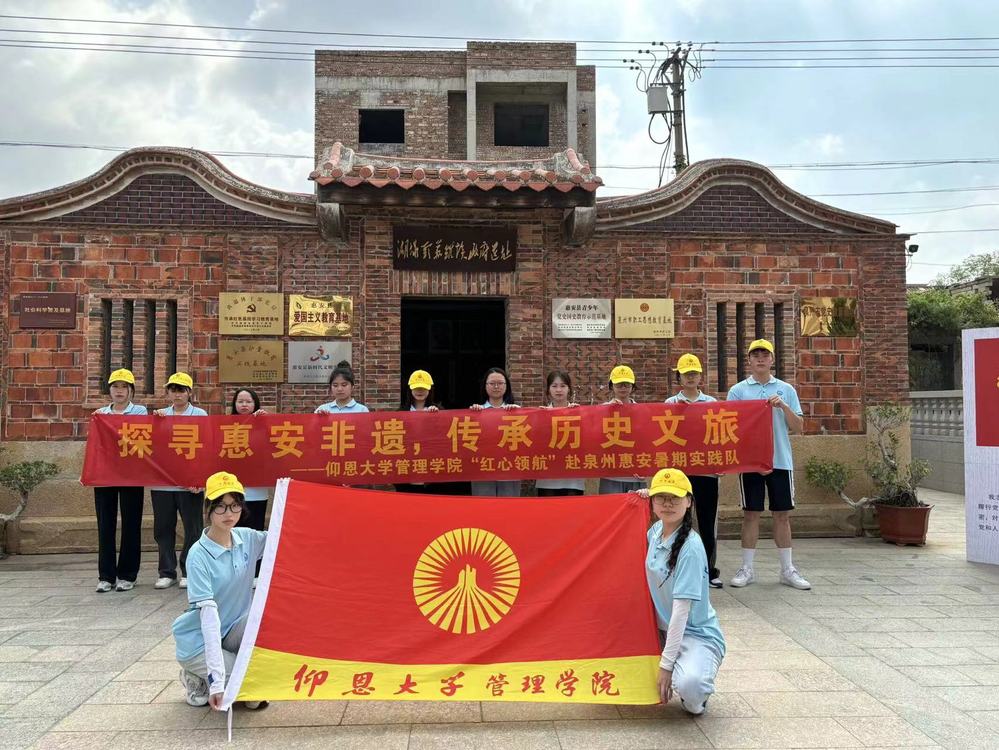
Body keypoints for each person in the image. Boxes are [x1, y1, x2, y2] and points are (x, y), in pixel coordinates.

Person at [172, 471, 267, 711]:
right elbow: (209, 619)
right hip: (199, 640)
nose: (229, 514)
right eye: (221, 507)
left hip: (233, 629)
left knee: (256, 683)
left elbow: (285, 537)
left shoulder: (247, 538)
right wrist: (216, 681)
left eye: (235, 505)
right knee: (247, 683)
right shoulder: (198, 556)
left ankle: (228, 671)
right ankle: (196, 675)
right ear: (208, 508)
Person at [639, 468, 726, 714]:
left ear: (688, 502)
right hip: (660, 630)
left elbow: (681, 613)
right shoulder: (656, 532)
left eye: (675, 498)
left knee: (690, 686)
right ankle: (677, 661)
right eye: (661, 497)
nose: (668, 504)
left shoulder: (691, 547)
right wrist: (637, 500)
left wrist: (666, 666)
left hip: (695, 633)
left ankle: (697, 688)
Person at [726, 339, 811, 590]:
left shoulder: (786, 389)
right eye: (756, 355)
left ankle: (787, 569)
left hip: (780, 461)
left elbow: (799, 427)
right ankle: (747, 568)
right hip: (751, 463)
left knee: (782, 515)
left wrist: (782, 406)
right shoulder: (738, 391)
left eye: (765, 354)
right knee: (750, 514)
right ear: (749, 360)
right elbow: (731, 428)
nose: (761, 358)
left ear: (772, 359)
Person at [665, 354, 723, 588]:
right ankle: (676, 567)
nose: (690, 377)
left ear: (700, 376)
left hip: (707, 472)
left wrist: (721, 463)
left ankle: (709, 570)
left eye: (694, 373)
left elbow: (719, 437)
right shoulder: (670, 403)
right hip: (679, 474)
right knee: (679, 521)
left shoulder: (711, 403)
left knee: (707, 523)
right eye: (685, 373)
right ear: (679, 377)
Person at [150, 372, 208, 590]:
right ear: (168, 393)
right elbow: (152, 447)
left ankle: (189, 570)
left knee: (193, 528)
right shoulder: (160, 415)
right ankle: (166, 571)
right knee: (163, 529)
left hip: (190, 485)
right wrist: (155, 422)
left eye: (181, 390)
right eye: (173, 390)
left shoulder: (200, 415)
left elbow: (206, 448)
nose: (177, 394)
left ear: (189, 392)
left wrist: (200, 479)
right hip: (162, 483)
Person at [92, 368, 147, 593]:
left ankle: (127, 574)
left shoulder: (140, 412)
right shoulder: (100, 414)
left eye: (124, 387)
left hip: (131, 475)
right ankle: (106, 576)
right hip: (105, 475)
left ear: (131, 390)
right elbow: (95, 447)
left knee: (131, 524)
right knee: (105, 525)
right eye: (115, 386)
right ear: (109, 390)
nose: (120, 391)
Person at [231, 389, 268, 582]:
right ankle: (236, 572)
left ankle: (255, 572)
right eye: (240, 401)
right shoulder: (224, 426)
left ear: (255, 404)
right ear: (234, 404)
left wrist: (265, 422)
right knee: (234, 534)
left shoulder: (263, 424)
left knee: (255, 534)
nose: (244, 405)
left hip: (257, 491)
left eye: (248, 401)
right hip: (233, 491)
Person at [468, 367, 521, 496]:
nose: (496, 387)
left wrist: (519, 414)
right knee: (484, 505)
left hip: (509, 466)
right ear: (485, 386)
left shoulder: (516, 411)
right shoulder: (476, 411)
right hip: (483, 466)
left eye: (500, 383)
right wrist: (473, 415)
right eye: (492, 383)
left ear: (506, 386)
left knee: (509, 504)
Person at [536, 370, 584, 497]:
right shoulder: (540, 414)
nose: (559, 390)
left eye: (563, 386)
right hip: (547, 480)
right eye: (554, 386)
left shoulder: (579, 412)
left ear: (569, 389)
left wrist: (580, 415)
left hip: (573, 479)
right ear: (548, 390)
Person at [599, 364, 645, 495]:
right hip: (610, 473)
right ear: (611, 386)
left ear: (633, 387)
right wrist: (608, 410)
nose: (623, 388)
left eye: (627, 384)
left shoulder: (642, 411)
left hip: (636, 473)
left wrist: (647, 468)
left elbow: (647, 440)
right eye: (619, 384)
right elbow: (594, 437)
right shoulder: (601, 410)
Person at [396, 370, 440, 494]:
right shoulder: (400, 414)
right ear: (410, 389)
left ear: (430, 390)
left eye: (423, 388)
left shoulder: (438, 412)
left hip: (431, 471)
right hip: (406, 469)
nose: (420, 391)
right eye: (416, 388)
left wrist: (437, 417)